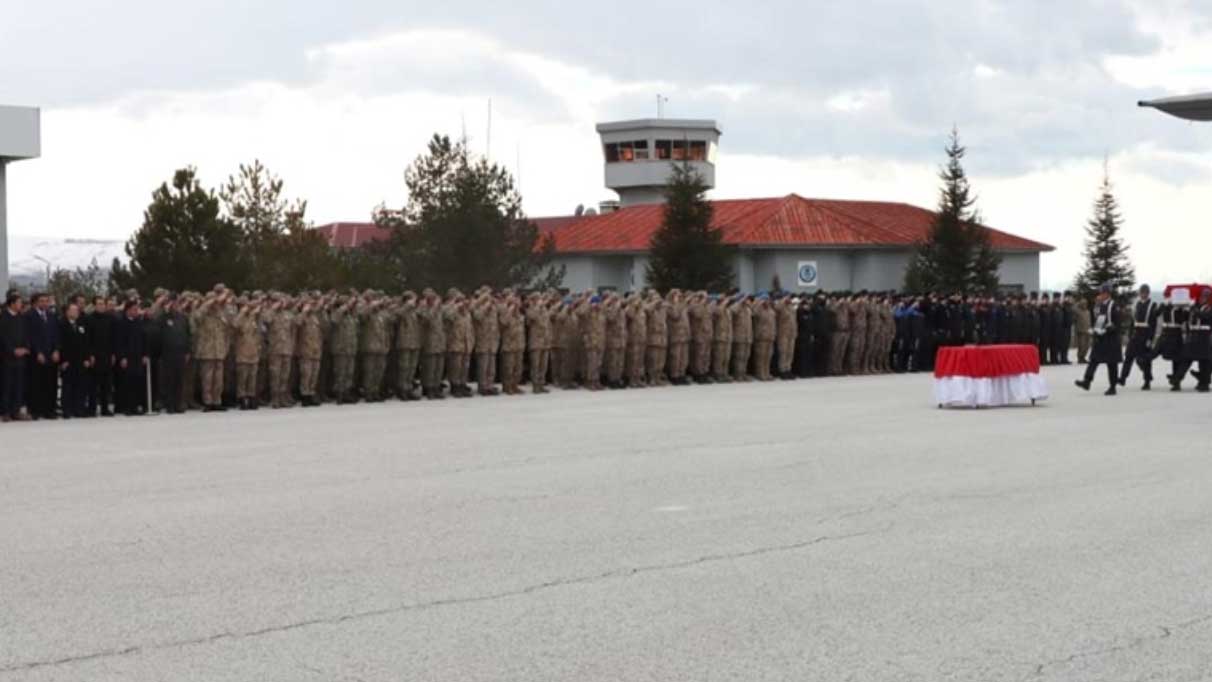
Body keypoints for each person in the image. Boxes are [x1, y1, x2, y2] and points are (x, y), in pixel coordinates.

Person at [1075, 284, 1121, 396]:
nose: (1100, 295)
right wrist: (1095, 329)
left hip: (1111, 339)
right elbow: (1099, 320)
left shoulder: (1113, 305)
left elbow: (1117, 322)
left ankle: (1113, 386)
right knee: (1094, 360)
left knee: (1112, 364)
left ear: (1107, 294)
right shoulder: (1100, 306)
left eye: (1102, 293)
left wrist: (1108, 329)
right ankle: (1087, 381)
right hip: (1101, 338)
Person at [25, 293, 61, 419]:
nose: (45, 303)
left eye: (46, 301)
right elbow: (31, 336)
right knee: (36, 384)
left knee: (50, 383)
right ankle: (35, 410)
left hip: (51, 355)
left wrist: (56, 350)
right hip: (37, 356)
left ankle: (49, 410)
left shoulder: (52, 316)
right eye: (42, 301)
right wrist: (38, 352)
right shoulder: (29, 316)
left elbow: (56, 335)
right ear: (35, 302)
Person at [1118, 284, 1158, 390]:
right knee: (1128, 357)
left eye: (1145, 292)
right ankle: (1122, 378)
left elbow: (1153, 324)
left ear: (1148, 293)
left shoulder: (1152, 305)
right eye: (1141, 292)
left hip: (1146, 334)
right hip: (1136, 334)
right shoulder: (1136, 304)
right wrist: (1130, 334)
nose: (1143, 294)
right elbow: (1133, 321)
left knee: (1144, 359)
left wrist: (1150, 339)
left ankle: (1147, 380)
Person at [113, 300, 150, 415]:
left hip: (138, 356)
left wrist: (145, 354)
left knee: (137, 382)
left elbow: (144, 340)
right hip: (127, 357)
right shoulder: (121, 323)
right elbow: (119, 342)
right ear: (128, 310)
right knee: (127, 383)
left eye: (137, 309)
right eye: (134, 309)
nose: (136, 311)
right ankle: (127, 407)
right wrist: (122, 357)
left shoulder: (139, 322)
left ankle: (136, 405)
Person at [1174, 289, 1212, 393]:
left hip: (1204, 338)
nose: (1202, 299)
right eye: (1201, 297)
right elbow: (1184, 320)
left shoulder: (1209, 308)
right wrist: (1183, 310)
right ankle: (1177, 380)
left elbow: (1205, 316)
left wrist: (1194, 310)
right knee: (1186, 360)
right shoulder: (1194, 308)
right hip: (1193, 337)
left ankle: (1204, 383)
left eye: (1205, 297)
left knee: (1204, 363)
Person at [1, 292, 31, 421]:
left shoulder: (21, 318)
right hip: (7, 358)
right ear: (12, 304)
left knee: (19, 385)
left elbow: (26, 335)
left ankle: (16, 411)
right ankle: (5, 412)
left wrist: (25, 348)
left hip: (21, 358)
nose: (21, 305)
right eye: (19, 302)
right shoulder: (3, 318)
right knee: (7, 385)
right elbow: (2, 338)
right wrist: (13, 350)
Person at [58, 302, 91, 418]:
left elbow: (85, 342)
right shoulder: (61, 324)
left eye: (77, 310)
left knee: (80, 386)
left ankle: (79, 409)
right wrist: (63, 360)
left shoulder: (80, 324)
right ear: (67, 312)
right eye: (73, 310)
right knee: (67, 386)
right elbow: (60, 344)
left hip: (80, 360)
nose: (76, 312)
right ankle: (67, 410)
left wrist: (87, 358)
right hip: (68, 361)